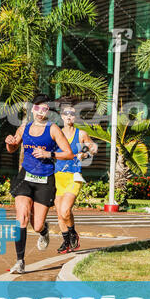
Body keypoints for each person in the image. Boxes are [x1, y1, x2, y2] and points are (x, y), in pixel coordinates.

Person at [5, 93, 73, 274]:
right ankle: (20, 261)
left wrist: (48, 154)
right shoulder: (24, 127)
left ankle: (43, 231)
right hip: (25, 177)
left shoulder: (53, 130)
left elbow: (68, 153)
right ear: (31, 109)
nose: (40, 112)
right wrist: (10, 143)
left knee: (36, 225)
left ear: (48, 111)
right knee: (21, 217)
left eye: (44, 109)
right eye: (37, 108)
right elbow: (12, 148)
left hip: (45, 180)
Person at [54, 98, 98, 253]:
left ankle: (73, 234)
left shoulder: (81, 134)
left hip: (73, 177)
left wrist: (84, 154)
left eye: (72, 114)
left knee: (66, 210)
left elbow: (94, 147)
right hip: (58, 177)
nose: (69, 117)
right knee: (60, 214)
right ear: (61, 116)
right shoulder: (56, 133)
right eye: (66, 114)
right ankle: (67, 240)